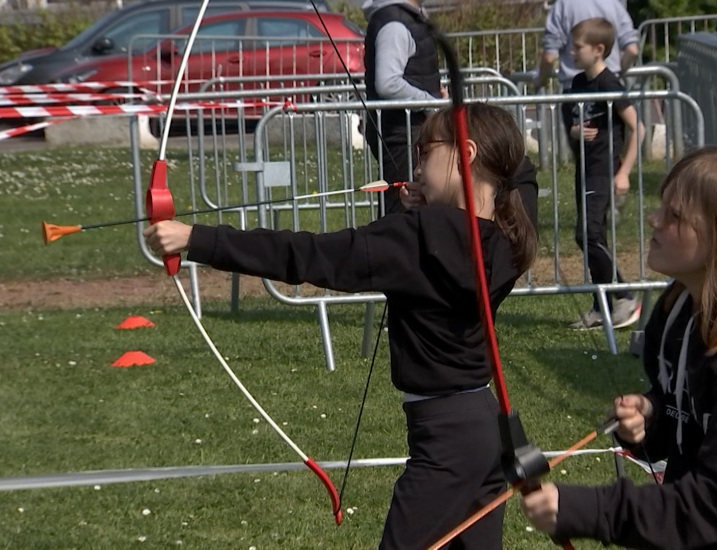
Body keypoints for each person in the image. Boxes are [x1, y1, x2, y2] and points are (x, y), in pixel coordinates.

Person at [144, 103, 538, 550]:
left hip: (446, 438)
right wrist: (438, 198)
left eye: (425, 150)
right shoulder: (510, 231)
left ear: (464, 154)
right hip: (486, 429)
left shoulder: (416, 238)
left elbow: (305, 254)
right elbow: (520, 174)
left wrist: (195, 238)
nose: (416, 165)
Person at [521, 146, 717, 548]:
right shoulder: (680, 311)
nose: (653, 220)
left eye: (675, 216)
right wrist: (651, 418)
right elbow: (692, 423)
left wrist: (589, 509)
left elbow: (714, 503)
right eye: (661, 208)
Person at [562, 18, 644, 330]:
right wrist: (573, 131)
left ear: (598, 50)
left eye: (577, 46)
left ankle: (624, 296)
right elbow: (574, 123)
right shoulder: (579, 84)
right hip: (584, 169)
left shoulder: (610, 85)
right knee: (589, 236)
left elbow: (638, 127)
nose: (571, 51)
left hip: (604, 170)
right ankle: (602, 305)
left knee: (588, 233)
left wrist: (623, 172)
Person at [363, 0, 443, 215]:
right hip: (400, 134)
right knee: (400, 210)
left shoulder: (405, 18)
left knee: (415, 206)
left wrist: (435, 93)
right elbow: (388, 83)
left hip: (411, 129)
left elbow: (413, 73)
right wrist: (431, 102)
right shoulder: (395, 23)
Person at [533, 0, 639, 93]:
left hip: (574, 90)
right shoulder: (614, 4)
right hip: (610, 88)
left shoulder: (562, 6)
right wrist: (617, 73)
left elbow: (549, 57)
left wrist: (539, 81)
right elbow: (632, 50)